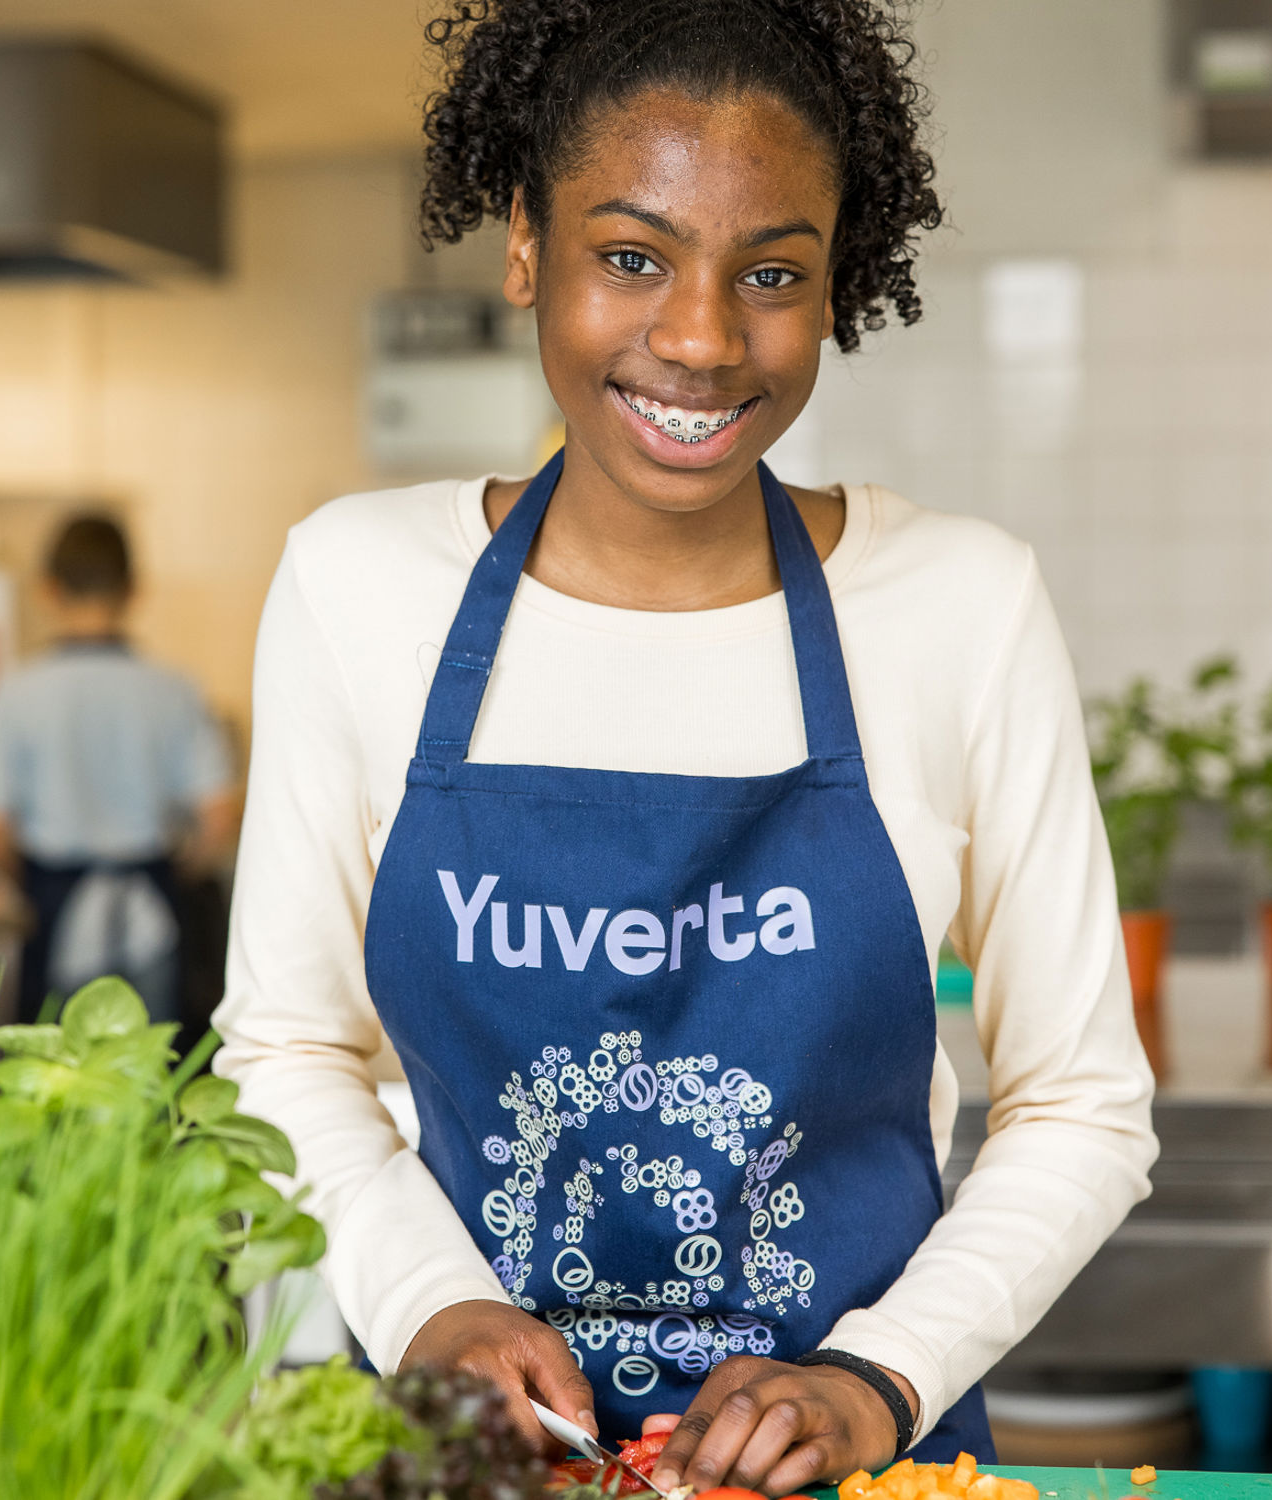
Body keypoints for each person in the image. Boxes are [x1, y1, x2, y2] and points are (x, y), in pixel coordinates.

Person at [213, 1, 1158, 1492]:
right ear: (526, 244)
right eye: (632, 255)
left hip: (854, 1466)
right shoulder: (355, 586)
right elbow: (284, 1047)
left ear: (836, 287)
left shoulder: (961, 605)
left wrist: (869, 1383)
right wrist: (427, 1306)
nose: (704, 337)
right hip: (478, 1463)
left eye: (771, 272)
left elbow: (1083, 1104)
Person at [0, 514, 237, 1025]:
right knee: (158, 1078)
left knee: (59, 1080)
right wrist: (178, 875)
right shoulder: (175, 689)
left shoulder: (16, 693)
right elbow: (218, 818)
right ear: (134, 588)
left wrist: (28, 885)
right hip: (155, 909)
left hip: (56, 907)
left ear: (48, 588)